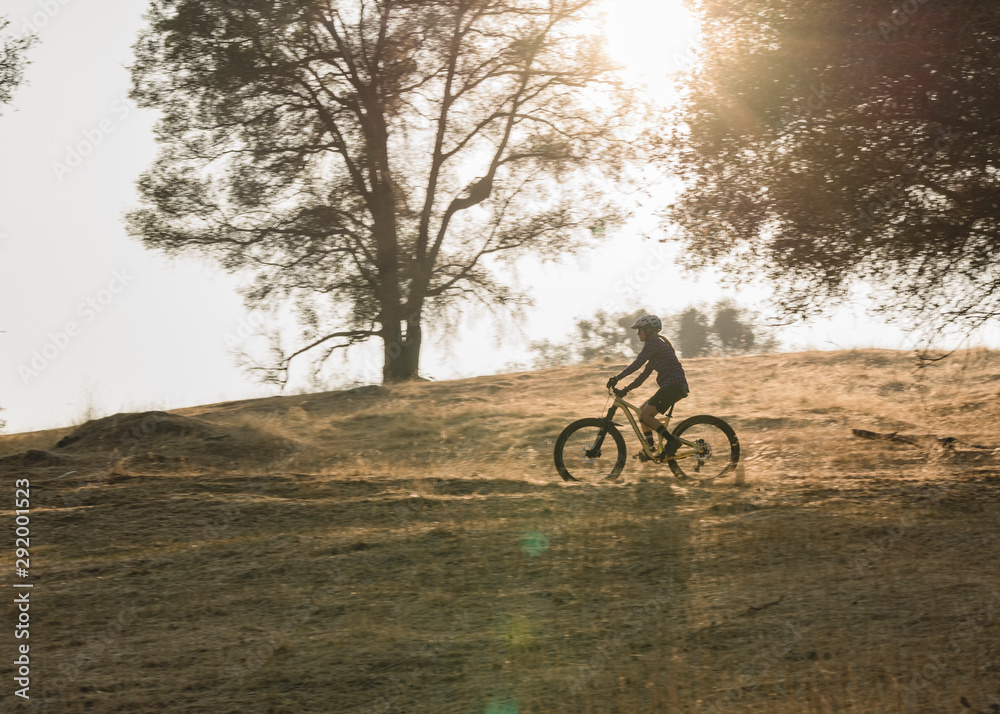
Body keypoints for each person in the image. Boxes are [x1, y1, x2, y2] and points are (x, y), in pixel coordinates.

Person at [606, 315, 689, 461]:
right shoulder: (656, 348)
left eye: (640, 330)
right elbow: (643, 376)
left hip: (673, 385)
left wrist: (617, 378)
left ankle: (672, 441)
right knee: (642, 411)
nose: (638, 334)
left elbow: (637, 363)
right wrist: (626, 389)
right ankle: (650, 449)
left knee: (645, 415)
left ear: (649, 330)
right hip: (672, 386)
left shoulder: (653, 342)